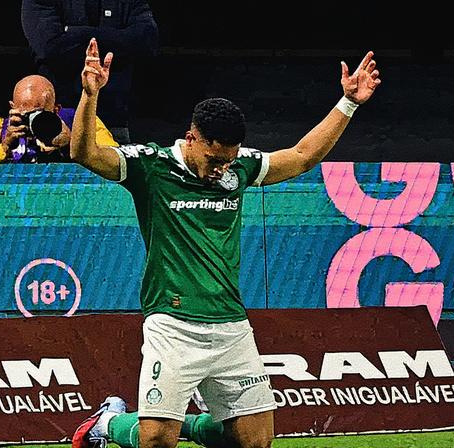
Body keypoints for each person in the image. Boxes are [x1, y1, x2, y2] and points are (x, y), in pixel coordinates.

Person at [70, 38, 380, 448]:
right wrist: (90, 95)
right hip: (173, 324)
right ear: (192, 138)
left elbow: (303, 156)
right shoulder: (151, 167)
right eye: (215, 159)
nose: (222, 169)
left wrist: (348, 103)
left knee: (254, 442)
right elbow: (84, 152)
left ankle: (192, 427)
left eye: (229, 160)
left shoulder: (240, 168)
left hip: (231, 324)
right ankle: (109, 424)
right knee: (157, 440)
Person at [21, 0, 159, 144]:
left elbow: (148, 41)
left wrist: (76, 33)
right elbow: (49, 47)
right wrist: (119, 40)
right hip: (55, 124)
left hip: (113, 124)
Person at [0, 75, 116, 164]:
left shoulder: (80, 122)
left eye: (39, 114)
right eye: (25, 114)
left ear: (56, 109)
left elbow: (114, 159)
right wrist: (4, 148)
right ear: (12, 107)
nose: (32, 120)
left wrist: (72, 144)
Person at [75, 395, 227, 448]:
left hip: (231, 330)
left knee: (238, 432)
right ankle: (108, 422)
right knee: (155, 437)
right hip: (179, 335)